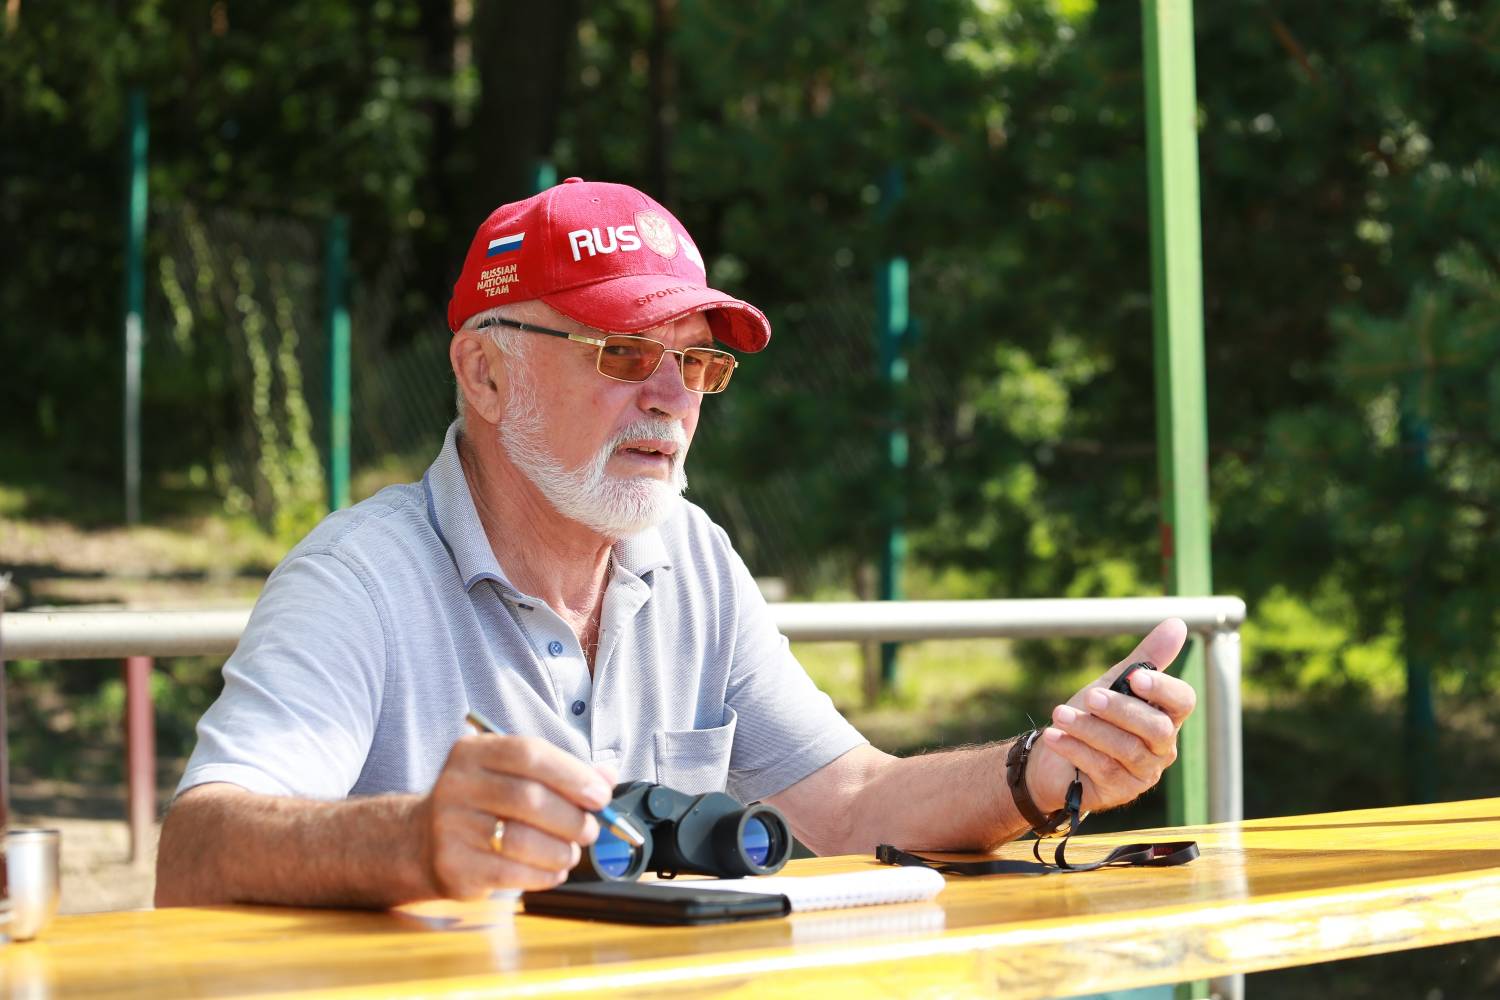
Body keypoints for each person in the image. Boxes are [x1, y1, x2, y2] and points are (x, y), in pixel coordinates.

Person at [155, 178, 1195, 907]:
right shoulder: (360, 577)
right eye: (622, 352)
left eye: (696, 365)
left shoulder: (689, 552)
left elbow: (845, 804)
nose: (671, 399)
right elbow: (196, 852)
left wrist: (1041, 770)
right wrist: (412, 840)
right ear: (483, 374)